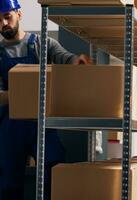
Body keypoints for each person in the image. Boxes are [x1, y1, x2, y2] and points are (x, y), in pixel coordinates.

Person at [0, 0, 91, 199]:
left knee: (54, 166)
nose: (4, 23)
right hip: (10, 126)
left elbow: (64, 57)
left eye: (7, 17)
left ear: (19, 15)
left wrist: (77, 62)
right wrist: (19, 95)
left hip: (41, 123)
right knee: (7, 183)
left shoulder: (42, 43)